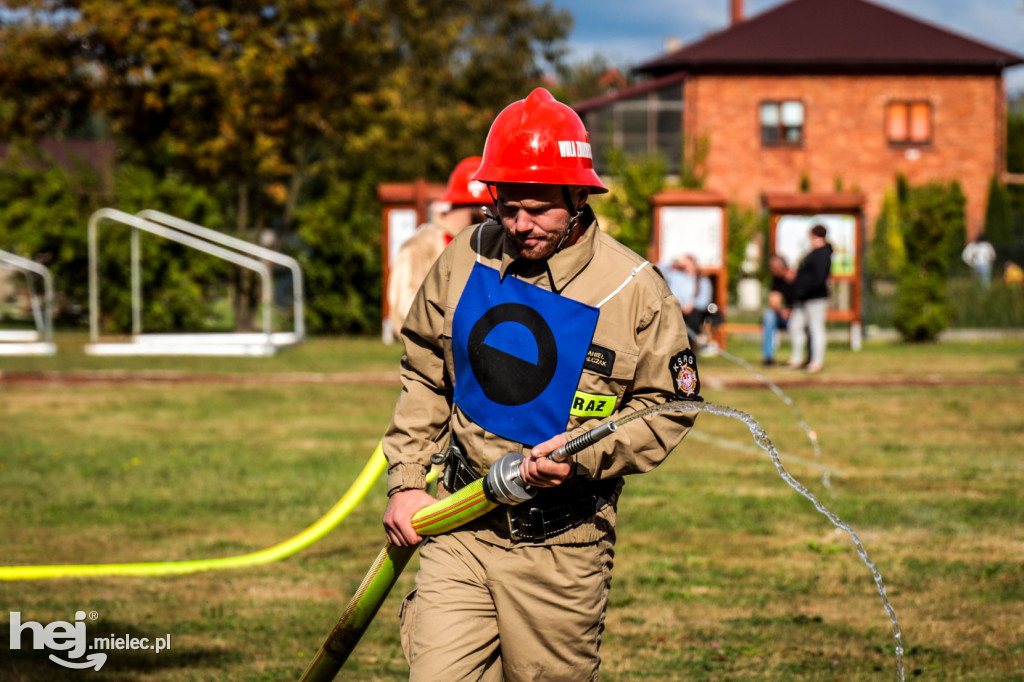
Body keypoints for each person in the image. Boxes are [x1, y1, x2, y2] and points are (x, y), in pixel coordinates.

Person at [381, 87, 698, 682]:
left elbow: (670, 406)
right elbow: (424, 367)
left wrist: (584, 456)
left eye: (537, 208)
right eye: (505, 206)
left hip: (562, 551)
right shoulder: (468, 254)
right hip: (460, 526)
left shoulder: (634, 288)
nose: (518, 225)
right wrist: (403, 484)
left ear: (578, 196)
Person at [386, 156, 487, 336]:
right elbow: (403, 312)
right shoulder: (420, 246)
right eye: (491, 208)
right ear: (478, 209)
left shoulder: (483, 245)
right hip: (433, 358)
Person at [786, 224, 832, 373]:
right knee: (794, 326)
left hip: (815, 298)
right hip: (803, 298)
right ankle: (796, 359)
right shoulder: (812, 253)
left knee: (816, 328)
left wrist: (802, 288)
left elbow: (817, 278)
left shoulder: (823, 254)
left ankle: (816, 362)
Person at [661, 253, 713, 345]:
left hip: (694, 314)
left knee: (693, 316)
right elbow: (658, 269)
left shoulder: (702, 281)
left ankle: (698, 338)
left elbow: (705, 300)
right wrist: (674, 261)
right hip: (676, 310)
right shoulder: (676, 276)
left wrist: (692, 304)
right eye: (685, 264)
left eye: (689, 264)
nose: (687, 267)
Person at [761, 254, 793, 366]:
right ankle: (768, 357)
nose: (772, 270)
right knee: (769, 316)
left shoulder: (795, 279)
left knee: (799, 319)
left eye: (774, 268)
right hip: (782, 316)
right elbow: (774, 301)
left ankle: (796, 359)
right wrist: (782, 311)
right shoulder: (776, 280)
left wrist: (791, 312)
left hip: (796, 315)